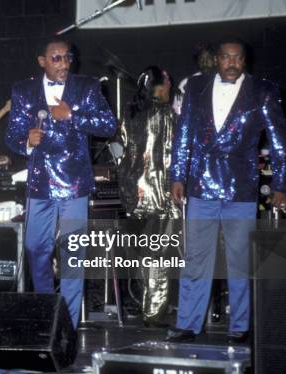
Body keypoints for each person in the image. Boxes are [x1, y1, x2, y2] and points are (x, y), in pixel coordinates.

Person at [167, 38, 286, 343]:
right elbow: (183, 135)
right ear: (217, 60)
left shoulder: (262, 90)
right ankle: (187, 324)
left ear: (244, 61)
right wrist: (177, 176)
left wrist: (282, 184)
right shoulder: (196, 88)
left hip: (241, 187)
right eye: (226, 58)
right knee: (196, 258)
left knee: (240, 259)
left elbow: (279, 142)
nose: (232, 63)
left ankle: (241, 326)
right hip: (201, 184)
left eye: (237, 58)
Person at [5, 38, 117, 328]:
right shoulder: (22, 90)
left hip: (74, 182)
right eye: (56, 59)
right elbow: (12, 135)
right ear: (42, 61)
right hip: (40, 182)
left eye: (67, 58)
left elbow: (108, 125)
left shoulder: (87, 86)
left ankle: (67, 320)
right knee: (34, 247)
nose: (64, 64)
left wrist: (73, 116)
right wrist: (26, 142)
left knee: (73, 253)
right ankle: (47, 310)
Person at [117, 66, 180, 327]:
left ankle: (151, 306)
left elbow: (122, 154)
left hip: (135, 194)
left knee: (146, 254)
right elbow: (168, 155)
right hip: (160, 194)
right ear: (161, 85)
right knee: (158, 254)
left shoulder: (130, 114)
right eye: (168, 82)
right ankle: (153, 312)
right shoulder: (165, 115)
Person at [172, 44, 216, 115]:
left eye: (208, 58)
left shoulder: (223, 80)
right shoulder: (187, 82)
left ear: (215, 60)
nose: (204, 62)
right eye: (201, 59)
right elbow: (178, 110)